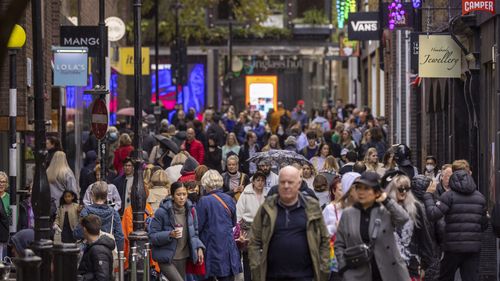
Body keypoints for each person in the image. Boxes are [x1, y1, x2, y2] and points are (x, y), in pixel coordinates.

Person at [248, 166, 330, 281]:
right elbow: (254, 241)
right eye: (282, 182)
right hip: (272, 276)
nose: (286, 186)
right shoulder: (267, 208)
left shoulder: (312, 207)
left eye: (290, 182)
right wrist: (256, 270)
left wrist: (323, 270)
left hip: (306, 277)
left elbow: (324, 240)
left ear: (299, 183)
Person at [335, 171, 411, 281]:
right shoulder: (348, 214)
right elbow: (339, 244)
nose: (361, 192)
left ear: (376, 192)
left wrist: (386, 200)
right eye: (358, 188)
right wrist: (344, 269)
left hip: (389, 272)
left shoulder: (385, 211)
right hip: (358, 274)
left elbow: (403, 218)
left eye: (366, 188)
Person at [423, 163, 488, 281]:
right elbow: (483, 224)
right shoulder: (480, 197)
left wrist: (428, 195)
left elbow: (433, 215)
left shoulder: (448, 196)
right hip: (473, 248)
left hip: (452, 247)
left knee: (445, 277)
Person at [148, 182, 205, 281]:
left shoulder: (191, 211)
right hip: (166, 257)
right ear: (172, 196)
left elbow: (195, 234)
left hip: (183, 257)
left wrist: (199, 247)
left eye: (184, 194)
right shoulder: (162, 212)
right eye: (179, 194)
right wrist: (169, 234)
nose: (182, 197)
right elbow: (152, 236)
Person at [385, 174, 435, 280]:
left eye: (407, 189)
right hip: (387, 264)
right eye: (400, 189)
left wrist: (424, 266)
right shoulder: (383, 209)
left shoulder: (415, 208)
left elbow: (424, 236)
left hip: (411, 263)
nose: (404, 192)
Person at [196, 170, 242, 281]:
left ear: (205, 183)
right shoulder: (229, 199)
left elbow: (198, 226)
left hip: (211, 246)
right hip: (228, 246)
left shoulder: (204, 201)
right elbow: (233, 222)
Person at [234, 171, 267, 281]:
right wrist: (238, 227)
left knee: (262, 256)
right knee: (248, 257)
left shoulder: (267, 194)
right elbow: (239, 212)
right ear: (253, 181)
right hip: (248, 228)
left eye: (262, 180)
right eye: (258, 180)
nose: (260, 183)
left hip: (263, 228)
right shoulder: (246, 193)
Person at [74, 181, 124, 251]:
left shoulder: (86, 211)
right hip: (108, 251)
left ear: (92, 195)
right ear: (106, 195)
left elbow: (77, 234)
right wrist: (120, 254)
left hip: (89, 250)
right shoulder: (114, 213)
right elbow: (119, 236)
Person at [77, 214, 115, 281]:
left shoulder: (98, 250)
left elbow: (102, 277)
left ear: (84, 229)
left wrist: (83, 278)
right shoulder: (93, 246)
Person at [0, 172, 9, 259]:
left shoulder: (10, 198)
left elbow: (13, 217)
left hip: (4, 233)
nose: (1, 184)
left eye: (3, 182)